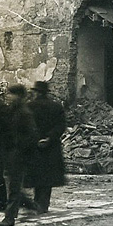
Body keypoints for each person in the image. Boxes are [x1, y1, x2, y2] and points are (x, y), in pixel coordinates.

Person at [0, 84, 39, 226]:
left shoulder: (24, 112)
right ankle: (29, 204)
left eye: (11, 94)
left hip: (17, 155)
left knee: (13, 186)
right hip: (9, 153)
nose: (8, 96)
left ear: (19, 96)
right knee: (12, 185)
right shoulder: (12, 110)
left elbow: (32, 136)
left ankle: (9, 217)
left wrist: (19, 149)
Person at [25, 81, 67, 213]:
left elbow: (27, 126)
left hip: (34, 146)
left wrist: (36, 139)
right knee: (47, 177)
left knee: (36, 174)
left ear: (37, 92)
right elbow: (61, 126)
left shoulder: (29, 106)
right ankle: (43, 204)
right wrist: (49, 138)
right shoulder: (56, 107)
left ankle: (36, 203)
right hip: (51, 146)